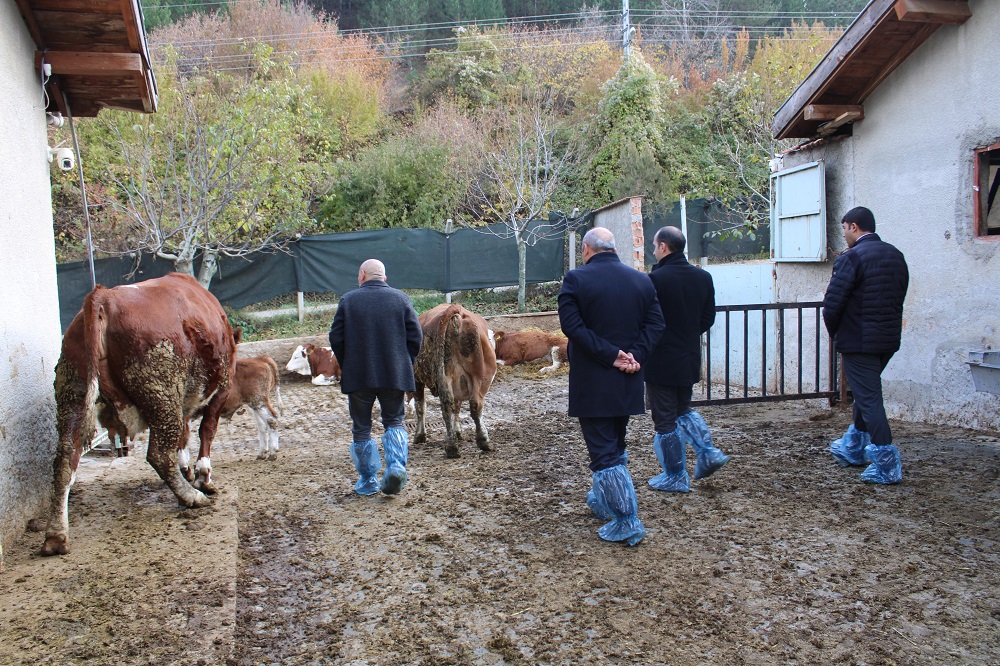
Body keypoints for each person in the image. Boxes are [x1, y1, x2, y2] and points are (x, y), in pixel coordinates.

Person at [558, 227, 665, 546]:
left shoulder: (575, 280)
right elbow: (656, 324)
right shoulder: (642, 280)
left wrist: (610, 355)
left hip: (593, 383)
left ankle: (627, 520)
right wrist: (635, 355)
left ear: (586, 250)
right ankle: (605, 502)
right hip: (629, 380)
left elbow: (572, 327)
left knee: (604, 453)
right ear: (613, 249)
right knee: (615, 445)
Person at [823, 207, 909, 484]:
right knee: (865, 392)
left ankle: (886, 462)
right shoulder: (895, 255)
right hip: (886, 338)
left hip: (859, 339)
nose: (844, 234)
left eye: (845, 228)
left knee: (870, 399)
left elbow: (833, 303)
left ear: (854, 227)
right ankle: (854, 447)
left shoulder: (852, 258)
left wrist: (837, 333)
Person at [644, 226, 729, 493]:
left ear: (663, 247)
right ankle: (708, 452)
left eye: (654, 245)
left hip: (661, 359)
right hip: (689, 355)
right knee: (684, 408)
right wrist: (686, 335)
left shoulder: (655, 280)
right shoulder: (703, 277)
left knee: (665, 419)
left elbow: (647, 320)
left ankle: (675, 475)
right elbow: (708, 318)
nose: (653, 250)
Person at [329, 259, 423, 495]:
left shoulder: (348, 300)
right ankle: (396, 467)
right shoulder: (401, 299)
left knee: (361, 428)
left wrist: (347, 363)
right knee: (394, 421)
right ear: (384, 277)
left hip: (359, 376)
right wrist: (404, 363)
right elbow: (416, 337)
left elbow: (336, 338)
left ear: (362, 275)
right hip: (394, 374)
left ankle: (368, 481)